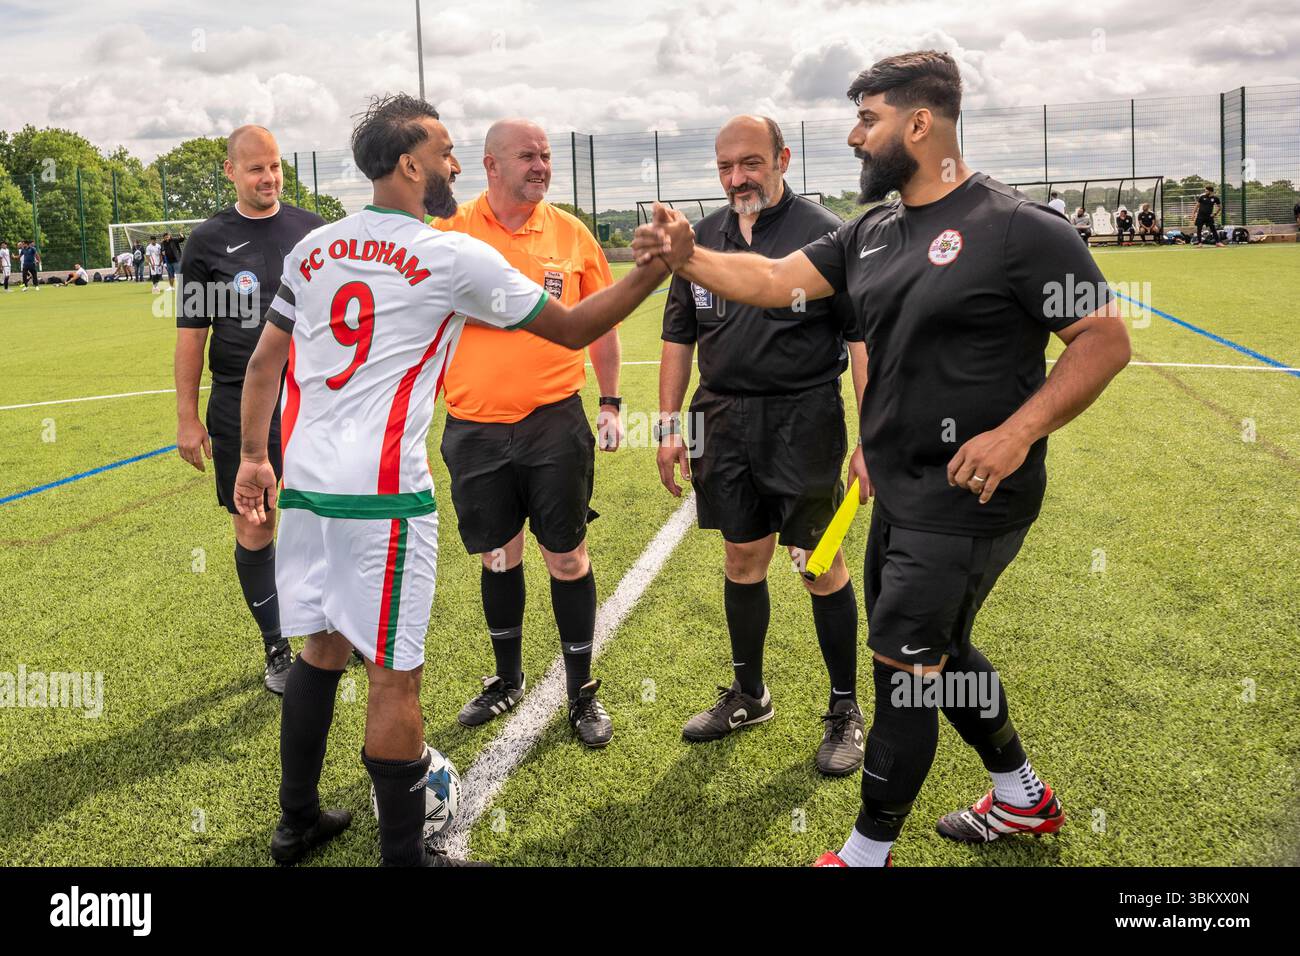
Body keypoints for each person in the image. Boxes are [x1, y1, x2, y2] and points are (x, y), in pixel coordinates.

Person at [634, 49, 1131, 867]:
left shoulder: (1016, 228)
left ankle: (865, 853)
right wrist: (687, 256)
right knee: (944, 651)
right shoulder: (872, 232)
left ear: (920, 123)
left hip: (971, 498)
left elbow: (1105, 339)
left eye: (868, 119)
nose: (856, 136)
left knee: (903, 664)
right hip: (898, 492)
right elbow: (766, 280)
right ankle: (1022, 796)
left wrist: (1017, 432)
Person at [234, 93, 668, 867]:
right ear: (408, 163)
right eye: (444, 152)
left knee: (321, 647)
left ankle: (295, 820)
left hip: (304, 482)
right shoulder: (446, 254)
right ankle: (404, 857)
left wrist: (254, 459)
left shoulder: (313, 248)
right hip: (386, 495)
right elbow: (570, 328)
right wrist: (656, 271)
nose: (455, 165)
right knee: (397, 678)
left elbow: (266, 361)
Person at [659, 115, 868, 775]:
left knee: (816, 561)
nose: (736, 177)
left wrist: (872, 436)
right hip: (722, 418)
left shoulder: (828, 234)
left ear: (782, 158)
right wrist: (669, 424)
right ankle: (750, 694)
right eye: (725, 166)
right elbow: (679, 334)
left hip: (806, 419)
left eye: (750, 162)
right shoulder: (701, 241)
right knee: (742, 558)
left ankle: (845, 711)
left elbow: (863, 342)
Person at [429, 118, 621, 747]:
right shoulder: (449, 234)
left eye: (545, 156)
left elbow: (602, 323)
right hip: (474, 428)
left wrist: (612, 401)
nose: (541, 166)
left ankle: (581, 691)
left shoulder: (570, 233)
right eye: (527, 157)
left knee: (566, 556)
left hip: (553, 423)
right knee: (497, 554)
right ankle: (506, 679)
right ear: (489, 165)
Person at [174, 125, 325, 694]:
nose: (269, 178)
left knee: (322, 517)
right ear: (230, 171)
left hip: (311, 396)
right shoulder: (207, 243)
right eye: (256, 168)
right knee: (256, 523)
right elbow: (192, 336)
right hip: (239, 401)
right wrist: (188, 418)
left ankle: (327, 633)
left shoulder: (312, 231)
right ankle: (277, 647)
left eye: (276, 167)